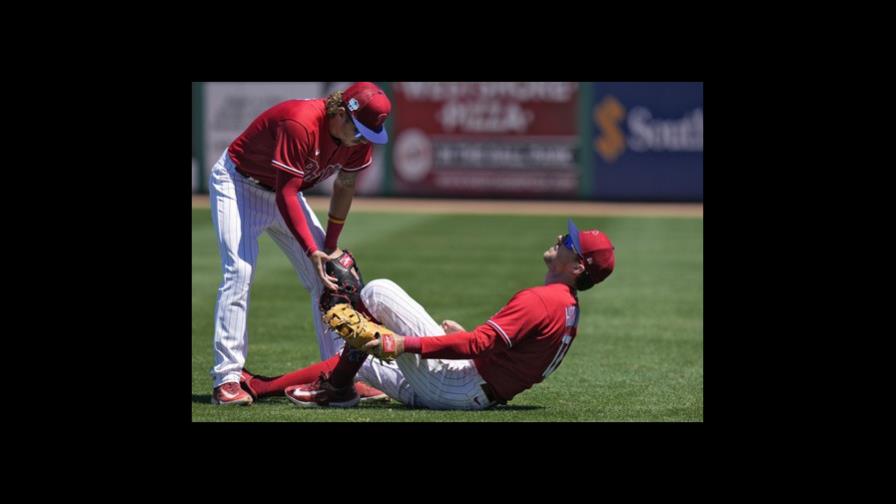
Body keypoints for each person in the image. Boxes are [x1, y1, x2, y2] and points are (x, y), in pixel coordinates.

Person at [238, 218, 615, 410]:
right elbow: (514, 357)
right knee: (353, 361)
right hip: (476, 389)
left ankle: (336, 386)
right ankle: (263, 387)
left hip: (458, 387)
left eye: (570, 243)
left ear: (577, 267)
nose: (561, 239)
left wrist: (403, 343)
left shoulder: (542, 300)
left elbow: (477, 343)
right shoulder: (566, 306)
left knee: (377, 291)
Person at [210, 82, 392, 405]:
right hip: (238, 182)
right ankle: (226, 380)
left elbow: (345, 185)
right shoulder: (301, 122)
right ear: (340, 113)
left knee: (330, 279)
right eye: (361, 130)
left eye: (370, 133)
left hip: (284, 193)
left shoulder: (356, 139)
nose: (364, 138)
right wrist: (312, 251)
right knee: (239, 271)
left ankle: (339, 379)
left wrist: (329, 249)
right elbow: (287, 193)